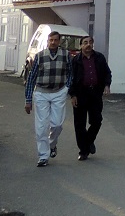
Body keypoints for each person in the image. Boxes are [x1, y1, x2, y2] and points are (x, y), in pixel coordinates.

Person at [24, 30, 70, 166]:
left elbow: (70, 73)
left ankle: (52, 145)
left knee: (57, 124)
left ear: (59, 41)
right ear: (48, 41)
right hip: (41, 93)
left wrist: (67, 87)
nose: (53, 42)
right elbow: (31, 78)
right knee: (41, 126)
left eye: (55, 40)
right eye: (51, 40)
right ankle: (43, 156)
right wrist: (28, 100)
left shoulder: (66, 55)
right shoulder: (40, 56)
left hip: (59, 91)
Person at [68, 35, 111, 160]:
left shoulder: (99, 58)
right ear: (81, 45)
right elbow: (70, 79)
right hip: (80, 94)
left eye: (90, 42)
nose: (88, 45)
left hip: (95, 94)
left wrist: (107, 85)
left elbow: (107, 72)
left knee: (97, 121)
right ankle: (83, 151)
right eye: (85, 42)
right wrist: (73, 95)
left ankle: (89, 140)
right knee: (79, 124)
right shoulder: (75, 60)